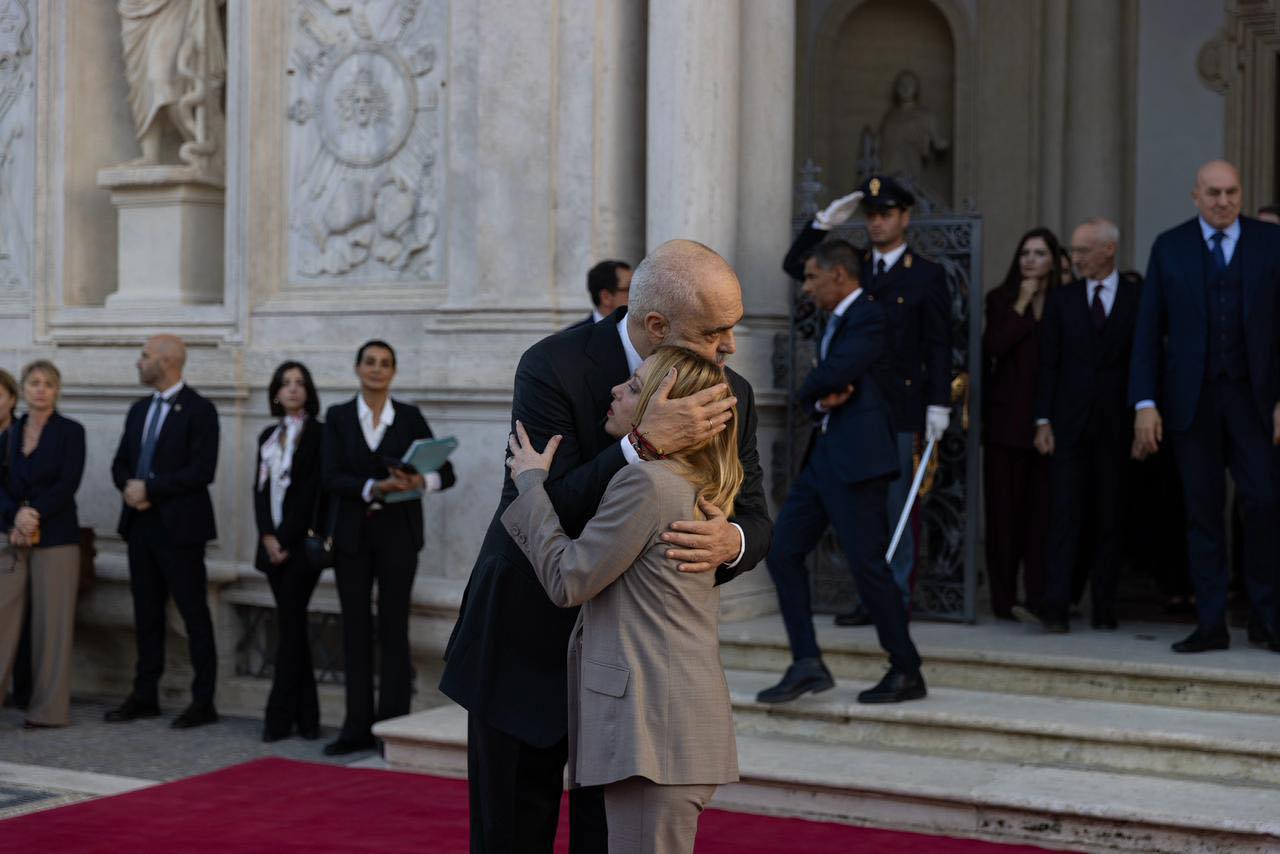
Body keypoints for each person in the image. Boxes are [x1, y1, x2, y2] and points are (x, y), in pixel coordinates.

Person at [440, 239, 772, 853]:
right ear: (656, 325)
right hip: (526, 641)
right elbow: (535, 505)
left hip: (633, 673)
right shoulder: (551, 365)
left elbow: (754, 516)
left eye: (733, 329)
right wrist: (638, 448)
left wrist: (732, 541)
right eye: (715, 331)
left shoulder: (733, 392)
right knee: (509, 835)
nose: (729, 347)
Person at [503, 345, 742, 854]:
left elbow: (569, 580)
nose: (616, 390)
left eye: (634, 387)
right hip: (672, 724)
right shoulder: (695, 481)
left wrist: (530, 488)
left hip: (652, 730)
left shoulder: (647, 483)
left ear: (664, 402)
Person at [758, 240, 924, 705]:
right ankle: (806, 662)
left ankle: (906, 668)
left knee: (867, 567)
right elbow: (827, 383)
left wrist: (808, 393)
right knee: (782, 550)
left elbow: (837, 371)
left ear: (838, 275)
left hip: (858, 461)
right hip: (825, 457)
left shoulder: (869, 315)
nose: (806, 286)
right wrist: (817, 396)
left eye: (811, 276)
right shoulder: (838, 320)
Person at [782, 175, 950, 625]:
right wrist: (821, 224)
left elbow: (937, 344)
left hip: (899, 405)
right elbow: (797, 265)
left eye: (885, 215)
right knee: (859, 513)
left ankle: (894, 596)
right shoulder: (851, 265)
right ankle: (869, 597)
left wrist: (939, 403)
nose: (876, 223)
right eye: (870, 215)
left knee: (897, 507)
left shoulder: (927, 274)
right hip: (851, 405)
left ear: (904, 218)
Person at [1130, 160, 1280, 654]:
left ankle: (1265, 617)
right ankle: (1211, 622)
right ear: (1195, 195)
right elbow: (1149, 332)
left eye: (1231, 192)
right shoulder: (1168, 247)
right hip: (1191, 402)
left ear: (1241, 193)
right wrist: (1145, 402)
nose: (1223, 201)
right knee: (1202, 512)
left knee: (1263, 504)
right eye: (1213, 193)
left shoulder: (1269, 241)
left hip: (1254, 399)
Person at [322, 340, 456, 755]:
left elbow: (446, 472)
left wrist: (420, 482)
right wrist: (371, 487)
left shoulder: (410, 417)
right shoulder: (338, 416)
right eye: (370, 362)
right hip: (352, 537)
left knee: (394, 628)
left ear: (393, 372)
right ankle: (355, 728)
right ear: (357, 368)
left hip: (399, 535)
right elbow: (328, 476)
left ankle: (392, 726)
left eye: (385, 364)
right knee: (355, 628)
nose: (377, 370)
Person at [1021, 219, 1139, 633]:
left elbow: (1143, 363)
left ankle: (1105, 606)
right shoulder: (1063, 301)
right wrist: (1042, 419)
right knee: (1064, 515)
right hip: (1068, 425)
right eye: (1074, 251)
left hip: (1116, 426)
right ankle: (1056, 605)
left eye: (1084, 250)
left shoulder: (1135, 298)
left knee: (1110, 516)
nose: (1076, 258)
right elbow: (1047, 364)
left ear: (1109, 250)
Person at [106, 334, 221, 728]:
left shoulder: (200, 409)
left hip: (181, 528)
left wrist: (150, 489)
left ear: (168, 361)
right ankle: (144, 694)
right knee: (146, 613)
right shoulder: (138, 410)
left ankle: (203, 700)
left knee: (193, 614)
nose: (139, 362)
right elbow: (121, 462)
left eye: (144, 356)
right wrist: (129, 487)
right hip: (140, 525)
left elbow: (202, 471)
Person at [0, 361, 86, 728]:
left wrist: (34, 513)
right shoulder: (9, 434)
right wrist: (15, 516)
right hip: (12, 536)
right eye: (34, 383)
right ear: (23, 390)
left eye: (48, 384)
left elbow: (68, 482)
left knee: (53, 626)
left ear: (57, 391)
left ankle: (48, 711)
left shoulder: (71, 431)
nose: (41, 389)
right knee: (2, 618)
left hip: (56, 536)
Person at [982, 228, 1062, 619]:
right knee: (1003, 516)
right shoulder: (1000, 300)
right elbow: (994, 346)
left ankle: (1040, 596)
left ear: (1054, 260)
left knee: (1041, 517)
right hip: (1006, 424)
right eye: (1025, 252)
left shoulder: (1065, 301)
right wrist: (1023, 303)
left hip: (1050, 426)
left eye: (1040, 253)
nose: (1030, 260)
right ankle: (1002, 599)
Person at [254, 361, 324, 742]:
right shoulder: (268, 435)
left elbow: (310, 494)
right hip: (271, 548)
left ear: (309, 391)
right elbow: (260, 491)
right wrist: (266, 535)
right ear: (276, 393)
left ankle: (277, 718)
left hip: (299, 549)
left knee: (289, 628)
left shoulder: (319, 433)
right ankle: (307, 719)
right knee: (292, 628)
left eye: (300, 383)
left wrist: (284, 539)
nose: (293, 389)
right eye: (285, 383)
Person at [570, 260, 633, 328]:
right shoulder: (573, 337)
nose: (637, 294)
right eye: (631, 288)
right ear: (606, 297)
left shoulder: (641, 333)